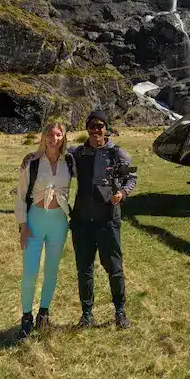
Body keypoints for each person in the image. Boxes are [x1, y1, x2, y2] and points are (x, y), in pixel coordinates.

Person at [69, 110, 137, 329]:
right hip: (82, 221)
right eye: (92, 126)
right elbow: (52, 152)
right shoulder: (78, 153)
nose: (96, 130)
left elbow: (132, 177)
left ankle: (120, 312)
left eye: (100, 126)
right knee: (84, 269)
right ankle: (86, 315)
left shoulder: (118, 153)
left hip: (108, 220)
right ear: (87, 128)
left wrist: (123, 193)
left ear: (106, 128)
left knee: (114, 267)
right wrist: (30, 158)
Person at [14, 121, 74, 338]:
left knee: (51, 270)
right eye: (50, 134)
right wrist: (23, 226)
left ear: (63, 138)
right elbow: (21, 196)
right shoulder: (32, 163)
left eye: (58, 135)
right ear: (43, 137)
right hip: (34, 222)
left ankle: (44, 313)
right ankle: (27, 316)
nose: (53, 138)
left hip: (59, 223)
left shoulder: (69, 161)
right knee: (30, 272)